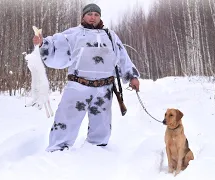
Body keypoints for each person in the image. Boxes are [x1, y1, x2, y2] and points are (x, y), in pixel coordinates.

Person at [33, 3, 140, 152]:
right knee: (66, 119)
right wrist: (43, 43)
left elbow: (122, 57)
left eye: (96, 15)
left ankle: (97, 151)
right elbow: (55, 45)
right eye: (90, 14)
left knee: (101, 124)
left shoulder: (110, 35)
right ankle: (57, 151)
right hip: (78, 87)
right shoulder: (73, 34)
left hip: (104, 89)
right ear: (83, 16)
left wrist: (132, 76)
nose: (93, 17)